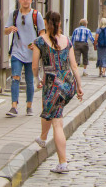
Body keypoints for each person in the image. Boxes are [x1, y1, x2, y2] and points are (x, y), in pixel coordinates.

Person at [32, 11, 83, 174]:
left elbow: (34, 66)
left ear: (46, 23)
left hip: (52, 83)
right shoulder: (67, 41)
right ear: (60, 23)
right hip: (68, 83)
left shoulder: (39, 42)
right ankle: (43, 138)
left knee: (57, 123)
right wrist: (79, 87)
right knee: (51, 112)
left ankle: (63, 162)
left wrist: (37, 79)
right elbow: (74, 66)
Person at [4, 0, 46, 118]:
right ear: (19, 0)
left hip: (31, 52)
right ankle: (14, 106)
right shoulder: (14, 14)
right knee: (15, 77)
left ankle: (29, 106)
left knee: (29, 80)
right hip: (17, 50)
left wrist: (37, 44)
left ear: (31, 1)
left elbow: (43, 33)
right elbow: (5, 31)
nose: (25, 1)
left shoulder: (36, 15)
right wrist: (10, 29)